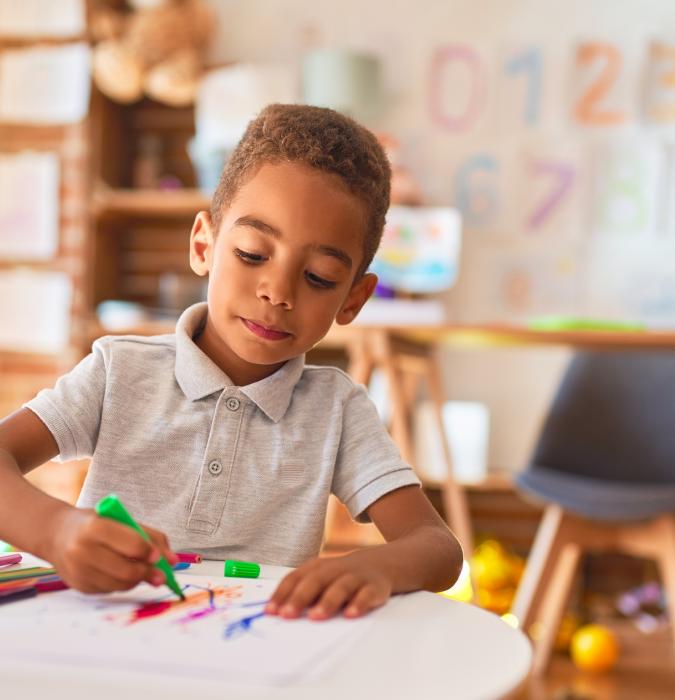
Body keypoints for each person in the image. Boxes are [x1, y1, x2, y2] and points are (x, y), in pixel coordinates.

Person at [0, 104, 462, 620]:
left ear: (353, 299)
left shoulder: (338, 410)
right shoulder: (118, 371)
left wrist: (379, 566)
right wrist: (58, 531)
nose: (277, 291)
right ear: (205, 244)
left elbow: (438, 548)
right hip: (107, 638)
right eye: (251, 253)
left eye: (319, 278)